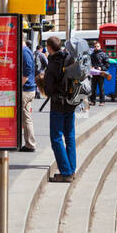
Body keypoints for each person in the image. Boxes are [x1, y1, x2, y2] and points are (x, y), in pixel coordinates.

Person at [40, 36, 88, 182]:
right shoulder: (70, 58)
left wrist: (43, 81)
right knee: (70, 136)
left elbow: (48, 90)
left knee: (56, 138)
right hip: (71, 104)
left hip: (58, 106)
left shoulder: (53, 65)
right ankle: (71, 169)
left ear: (49, 48)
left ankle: (66, 172)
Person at [20, 34, 39, 151]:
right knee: (26, 117)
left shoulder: (24, 51)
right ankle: (29, 143)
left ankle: (30, 143)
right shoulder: (25, 51)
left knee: (26, 118)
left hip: (26, 90)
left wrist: (19, 85)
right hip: (28, 89)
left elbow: (27, 71)